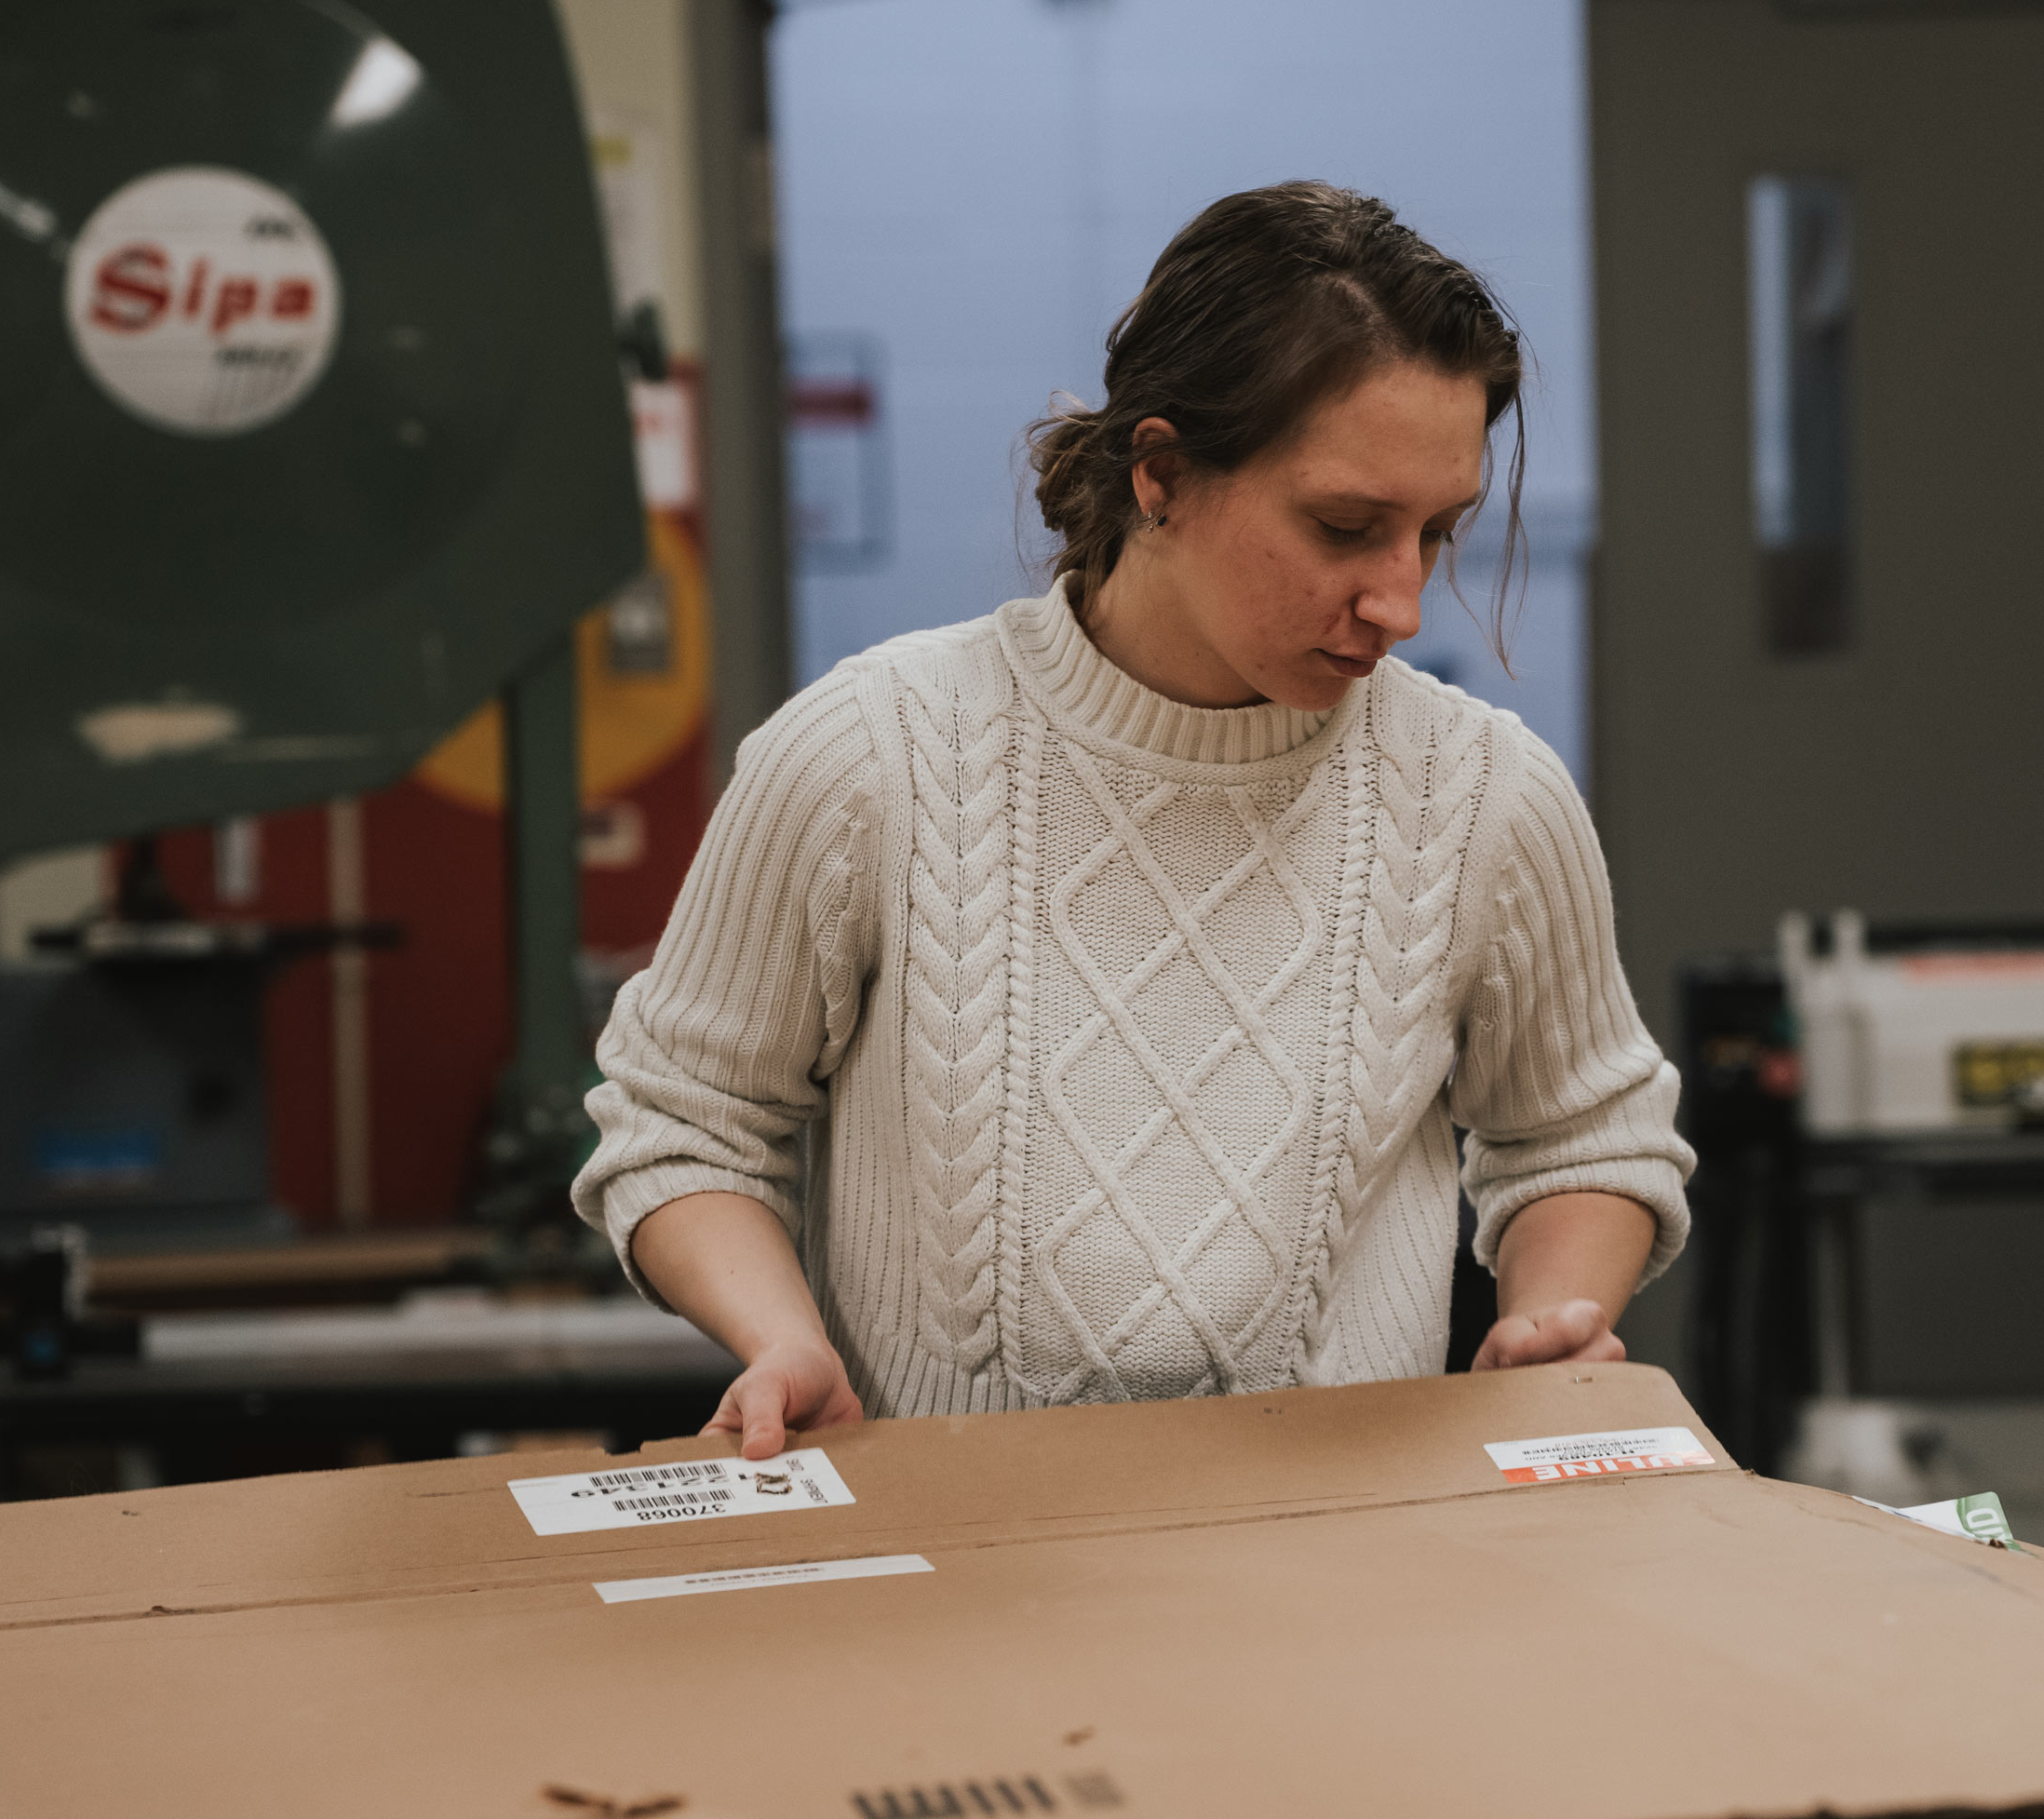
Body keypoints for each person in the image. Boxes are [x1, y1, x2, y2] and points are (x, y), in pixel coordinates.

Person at [575, 182, 1692, 1457]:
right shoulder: (868, 757)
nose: (1401, 603)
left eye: (1436, 534)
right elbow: (683, 1120)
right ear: (1161, 475)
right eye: (1345, 527)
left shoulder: (1487, 793)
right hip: (959, 1575)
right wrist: (783, 1339)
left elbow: (1584, 1136)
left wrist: (1553, 1313)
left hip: (1348, 1573)